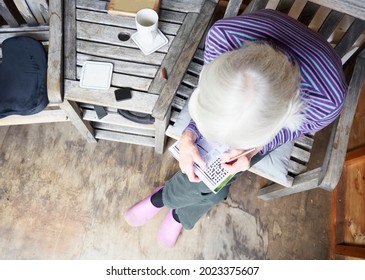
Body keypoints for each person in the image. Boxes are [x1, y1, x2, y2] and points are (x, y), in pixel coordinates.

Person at [124, 9, 348, 247]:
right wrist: (191, 132)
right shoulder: (224, 36)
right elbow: (211, 95)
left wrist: (252, 150)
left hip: (288, 106)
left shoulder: (327, 101)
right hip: (251, 80)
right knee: (215, 187)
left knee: (214, 182)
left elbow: (289, 132)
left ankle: (165, 199)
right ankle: (178, 212)